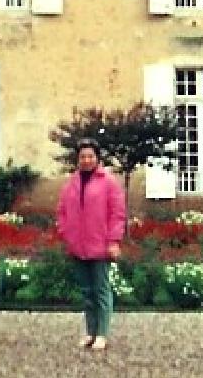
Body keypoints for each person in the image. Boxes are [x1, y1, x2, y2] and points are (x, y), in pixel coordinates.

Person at [55, 137, 126, 351]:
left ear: (97, 158)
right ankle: (90, 331)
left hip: (100, 246)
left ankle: (102, 333)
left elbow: (117, 214)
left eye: (90, 156)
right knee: (87, 293)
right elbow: (62, 211)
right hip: (78, 246)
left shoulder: (108, 183)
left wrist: (113, 241)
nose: (86, 160)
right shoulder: (72, 183)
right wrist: (66, 233)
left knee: (101, 290)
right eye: (83, 156)